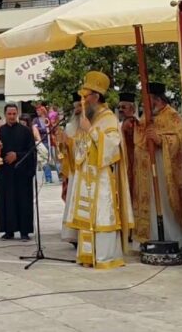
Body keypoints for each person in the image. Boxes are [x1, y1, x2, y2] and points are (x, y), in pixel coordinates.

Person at [61, 72, 134, 269]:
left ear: (96, 96)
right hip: (86, 176)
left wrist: (90, 130)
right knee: (87, 216)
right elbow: (81, 147)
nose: (83, 101)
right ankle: (87, 256)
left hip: (101, 177)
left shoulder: (108, 118)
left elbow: (112, 147)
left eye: (86, 97)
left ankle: (104, 256)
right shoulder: (89, 118)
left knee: (101, 214)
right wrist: (72, 140)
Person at [131, 82, 182, 251]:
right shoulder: (146, 116)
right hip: (147, 171)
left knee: (165, 203)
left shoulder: (172, 116)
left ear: (156, 99)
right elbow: (139, 140)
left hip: (165, 169)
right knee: (149, 203)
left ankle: (173, 236)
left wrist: (161, 140)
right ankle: (150, 237)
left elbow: (180, 140)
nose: (144, 104)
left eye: (147, 100)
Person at [0, 104, 36, 241]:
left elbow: (32, 152)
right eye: (9, 114)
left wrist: (17, 155)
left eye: (14, 114)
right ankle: (9, 230)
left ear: (17, 114)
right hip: (5, 173)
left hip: (22, 173)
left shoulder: (26, 131)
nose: (12, 116)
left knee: (23, 202)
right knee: (7, 202)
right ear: (5, 114)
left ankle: (24, 231)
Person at [57, 92, 82, 245]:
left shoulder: (89, 125)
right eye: (76, 107)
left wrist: (70, 142)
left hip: (86, 172)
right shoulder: (70, 126)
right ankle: (73, 235)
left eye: (80, 106)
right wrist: (63, 143)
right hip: (74, 172)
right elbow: (64, 152)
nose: (77, 110)